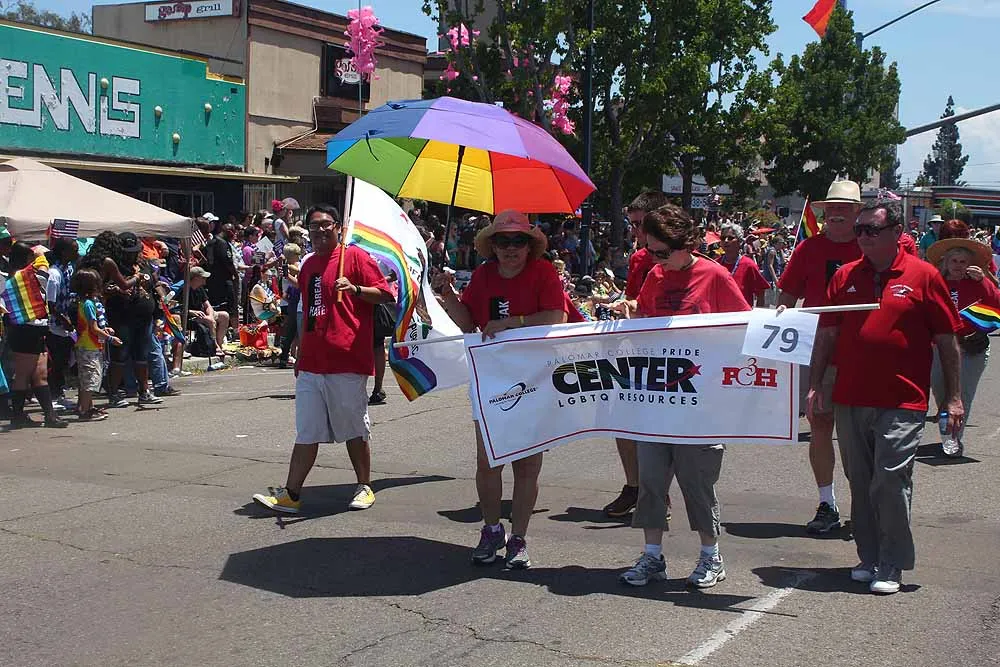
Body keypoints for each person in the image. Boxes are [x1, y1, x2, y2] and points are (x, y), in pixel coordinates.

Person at [808, 198, 964, 595]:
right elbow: (827, 333)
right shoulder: (844, 276)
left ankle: (892, 561)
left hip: (903, 399)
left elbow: (947, 340)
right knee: (860, 481)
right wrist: (814, 383)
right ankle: (869, 556)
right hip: (850, 396)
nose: (862, 237)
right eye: (859, 230)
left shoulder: (925, 276)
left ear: (896, 233)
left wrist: (953, 398)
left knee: (890, 480)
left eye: (871, 230)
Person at [613, 204, 750, 589]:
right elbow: (646, 323)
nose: (654, 259)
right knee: (651, 481)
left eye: (661, 251)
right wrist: (629, 311)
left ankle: (711, 555)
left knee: (697, 482)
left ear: (685, 243)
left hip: (700, 402)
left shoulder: (714, 275)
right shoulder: (655, 276)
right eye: (650, 250)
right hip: (658, 398)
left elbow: (743, 326)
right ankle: (652, 555)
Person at [435, 210, 568, 569]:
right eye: (503, 241)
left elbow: (556, 316)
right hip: (492, 377)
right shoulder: (483, 275)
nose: (511, 248)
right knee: (489, 461)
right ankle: (492, 529)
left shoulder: (543, 272)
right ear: (492, 246)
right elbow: (468, 322)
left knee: (527, 465)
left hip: (536, 378)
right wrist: (448, 295)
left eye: (518, 240)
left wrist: (511, 322)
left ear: (529, 245)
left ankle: (519, 537)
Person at [252, 204, 394, 515]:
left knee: (354, 427)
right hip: (312, 362)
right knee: (307, 430)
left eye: (326, 224)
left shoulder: (355, 257)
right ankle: (291, 493)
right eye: (314, 225)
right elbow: (308, 313)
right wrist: (301, 352)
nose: (319, 230)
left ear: (338, 227)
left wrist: (355, 288)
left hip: (346, 358)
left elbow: (385, 294)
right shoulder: (308, 266)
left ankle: (364, 486)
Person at [778, 180, 863, 535]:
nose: (837, 213)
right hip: (819, 354)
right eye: (832, 208)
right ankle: (827, 503)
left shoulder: (871, 247)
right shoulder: (809, 248)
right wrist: (777, 321)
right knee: (821, 426)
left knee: (860, 434)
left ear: (857, 212)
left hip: (864, 355)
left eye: (844, 207)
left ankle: (864, 505)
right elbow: (786, 296)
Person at [604, 190, 670, 519]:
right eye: (632, 224)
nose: (635, 231)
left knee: (659, 426)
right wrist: (618, 305)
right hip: (637, 348)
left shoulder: (676, 256)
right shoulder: (639, 258)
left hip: (669, 351)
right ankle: (634, 485)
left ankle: (658, 494)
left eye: (640, 224)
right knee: (622, 419)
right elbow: (632, 299)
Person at [926, 236, 999, 457]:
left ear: (970, 264)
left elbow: (997, 305)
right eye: (954, 261)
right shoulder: (935, 282)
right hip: (940, 348)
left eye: (963, 262)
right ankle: (949, 432)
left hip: (972, 348)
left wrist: (984, 281)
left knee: (961, 396)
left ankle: (953, 440)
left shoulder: (978, 282)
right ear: (946, 262)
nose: (958, 266)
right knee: (941, 393)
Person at [2, 242, 67, 428]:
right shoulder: (23, 277)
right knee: (23, 374)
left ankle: (49, 415)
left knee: (40, 374)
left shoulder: (12, 277)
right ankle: (18, 416)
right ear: (28, 258)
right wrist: (41, 258)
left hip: (35, 329)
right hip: (24, 330)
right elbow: (44, 276)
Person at [72, 268, 118, 421]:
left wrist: (105, 330)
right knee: (90, 380)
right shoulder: (89, 304)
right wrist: (110, 338)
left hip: (86, 345)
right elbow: (93, 328)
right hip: (89, 346)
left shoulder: (84, 303)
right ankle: (85, 411)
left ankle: (88, 407)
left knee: (87, 378)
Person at [44, 237, 79, 411]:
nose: (77, 253)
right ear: (64, 252)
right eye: (74, 250)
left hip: (67, 326)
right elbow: (50, 304)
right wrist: (63, 319)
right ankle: (53, 396)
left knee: (64, 361)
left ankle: (59, 393)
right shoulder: (54, 274)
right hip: (55, 326)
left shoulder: (68, 269)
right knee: (56, 362)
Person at [717, 222, 770, 307]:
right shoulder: (716, 264)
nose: (726, 241)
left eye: (730, 238)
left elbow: (761, 292)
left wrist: (758, 313)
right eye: (723, 238)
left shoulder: (749, 265)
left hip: (742, 313)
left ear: (739, 241)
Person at [277, 243, 302, 369]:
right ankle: (286, 356)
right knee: (291, 331)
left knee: (294, 332)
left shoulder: (294, 266)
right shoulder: (287, 267)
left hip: (293, 301)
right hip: (290, 302)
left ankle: (292, 355)